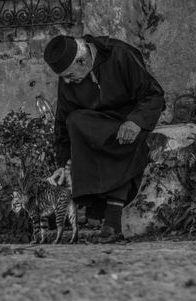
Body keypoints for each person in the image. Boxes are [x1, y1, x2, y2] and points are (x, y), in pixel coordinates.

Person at [44, 34, 165, 241]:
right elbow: (62, 122)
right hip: (98, 126)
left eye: (69, 75)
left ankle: (112, 219)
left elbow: (154, 95)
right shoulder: (70, 76)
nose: (66, 81)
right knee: (75, 121)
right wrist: (63, 163)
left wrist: (136, 121)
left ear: (83, 60)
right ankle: (96, 211)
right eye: (63, 77)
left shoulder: (119, 54)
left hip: (129, 121)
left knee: (123, 136)